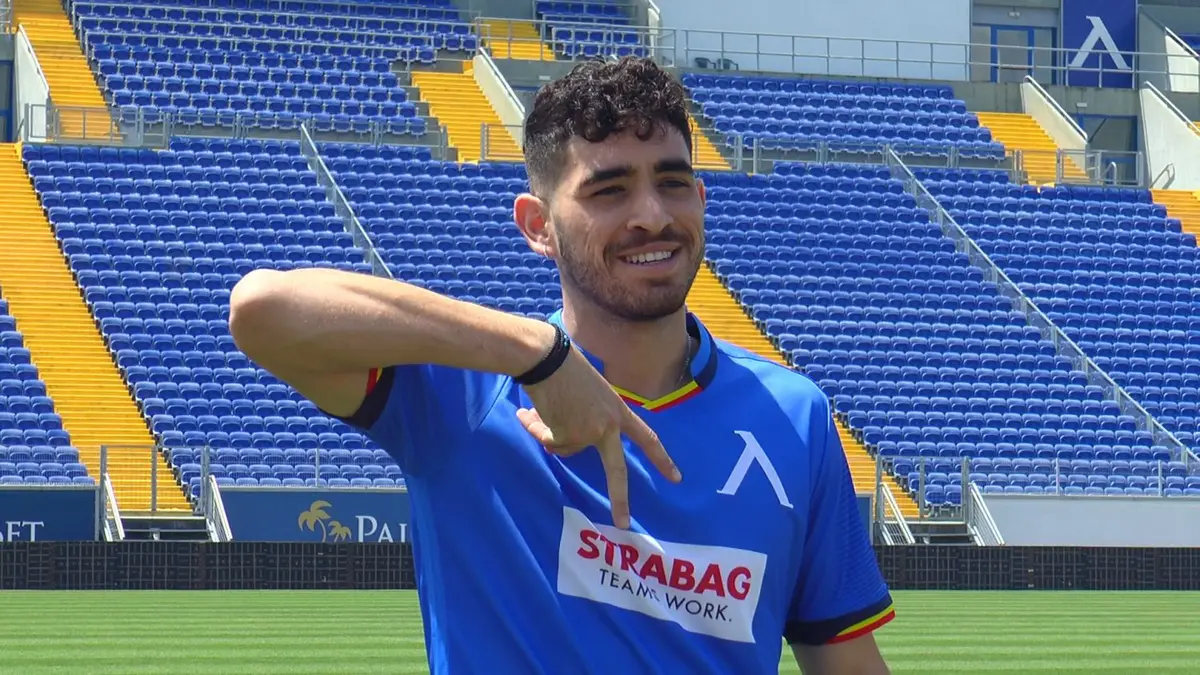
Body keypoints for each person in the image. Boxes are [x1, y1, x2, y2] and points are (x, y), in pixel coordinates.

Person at [229, 56, 894, 674]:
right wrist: (541, 357)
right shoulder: (466, 394)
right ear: (537, 226)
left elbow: (848, 663)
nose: (652, 215)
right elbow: (262, 308)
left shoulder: (795, 416)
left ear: (700, 198)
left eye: (671, 183)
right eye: (609, 191)